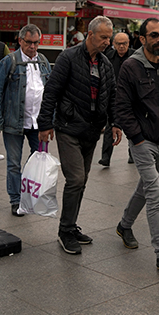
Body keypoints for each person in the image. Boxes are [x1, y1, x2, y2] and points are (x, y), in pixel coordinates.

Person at [38, 16, 121, 255]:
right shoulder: (68, 57)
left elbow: (112, 95)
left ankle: (71, 226)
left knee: (82, 180)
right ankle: (65, 230)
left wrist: (115, 122)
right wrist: (45, 124)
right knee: (75, 179)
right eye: (104, 37)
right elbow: (51, 90)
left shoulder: (105, 63)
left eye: (109, 37)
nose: (108, 42)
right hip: (68, 127)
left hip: (92, 130)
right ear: (90, 34)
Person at [113, 17, 159, 274]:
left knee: (145, 187)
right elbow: (123, 107)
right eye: (153, 35)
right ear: (142, 39)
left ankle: (124, 225)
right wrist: (137, 138)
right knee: (155, 193)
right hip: (143, 143)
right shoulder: (131, 67)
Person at [0, 24, 52, 216]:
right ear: (20, 41)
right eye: (29, 42)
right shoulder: (9, 62)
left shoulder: (43, 61)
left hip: (37, 123)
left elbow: (50, 93)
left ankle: (29, 195)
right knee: (14, 163)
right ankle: (16, 200)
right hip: (13, 122)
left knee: (37, 161)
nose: (33, 47)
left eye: (36, 43)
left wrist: (50, 121)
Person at [100, 31, 134, 166]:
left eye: (124, 44)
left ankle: (133, 155)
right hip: (113, 97)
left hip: (131, 97)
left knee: (132, 127)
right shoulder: (108, 56)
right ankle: (105, 158)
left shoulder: (135, 56)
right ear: (113, 44)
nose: (121, 47)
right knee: (110, 127)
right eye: (118, 44)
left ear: (128, 44)